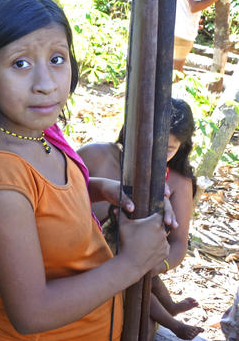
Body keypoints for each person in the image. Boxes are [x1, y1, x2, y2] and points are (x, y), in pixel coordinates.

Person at [0, 0, 170, 340]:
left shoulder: (37, 138)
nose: (46, 84)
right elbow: (32, 313)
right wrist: (132, 263)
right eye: (20, 63)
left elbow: (41, 201)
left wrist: (99, 188)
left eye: (57, 59)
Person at [78, 98, 204, 340]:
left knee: (141, 326)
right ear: (133, 130)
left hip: (139, 270)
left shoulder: (178, 181)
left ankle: (171, 318)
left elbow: (178, 245)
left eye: (168, 149)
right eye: (150, 142)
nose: (157, 153)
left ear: (181, 147)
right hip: (79, 267)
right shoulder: (95, 155)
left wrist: (144, 266)